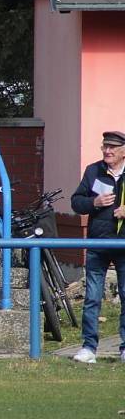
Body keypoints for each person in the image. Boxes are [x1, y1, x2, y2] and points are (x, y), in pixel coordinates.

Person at [70, 131, 125, 364]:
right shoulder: (93, 170)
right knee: (92, 298)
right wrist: (94, 202)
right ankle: (88, 348)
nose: (107, 151)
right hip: (97, 243)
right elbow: (76, 202)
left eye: (112, 148)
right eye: (105, 147)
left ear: (124, 151)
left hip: (123, 244)